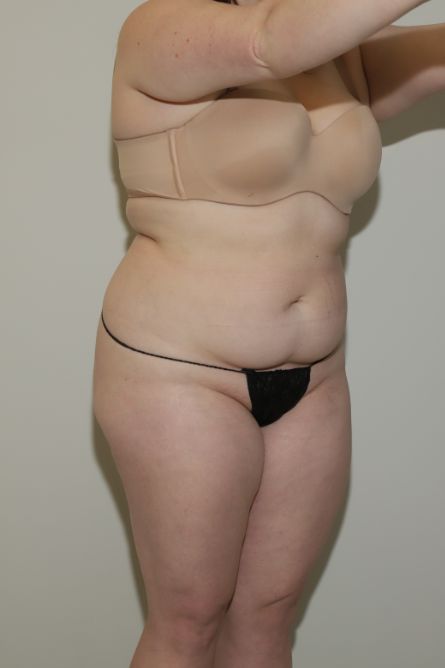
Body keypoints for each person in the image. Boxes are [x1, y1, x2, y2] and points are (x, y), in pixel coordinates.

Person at [92, 0, 436, 666]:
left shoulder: (343, 51)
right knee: (189, 621)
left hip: (316, 379)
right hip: (180, 375)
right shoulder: (158, 27)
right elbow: (269, 42)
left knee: (270, 615)